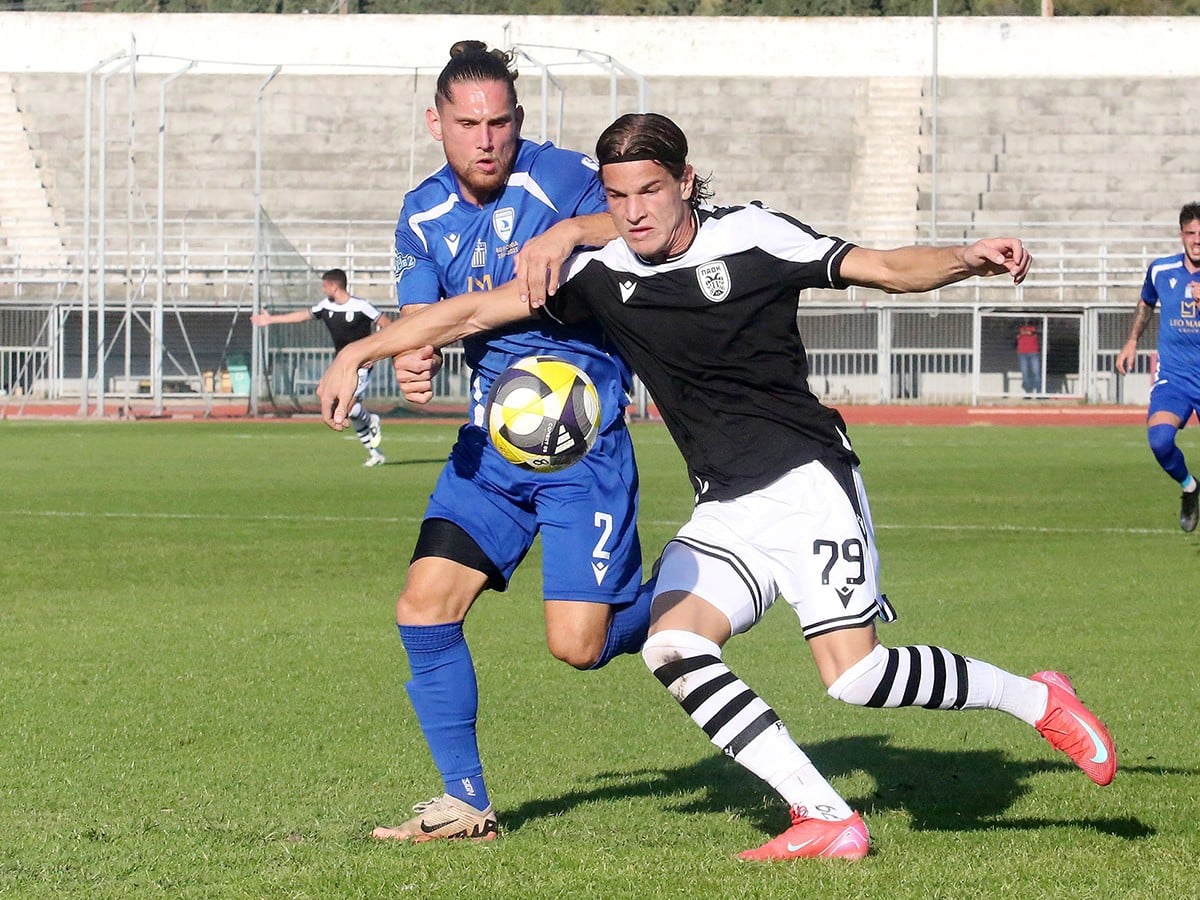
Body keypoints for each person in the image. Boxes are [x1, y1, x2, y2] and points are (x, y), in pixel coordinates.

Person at [319, 112, 1118, 860]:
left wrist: (964, 258)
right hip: (725, 504)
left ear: (686, 182)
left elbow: (880, 268)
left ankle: (1035, 699)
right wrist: (363, 353)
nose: (634, 213)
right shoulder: (600, 271)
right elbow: (468, 314)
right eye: (617, 196)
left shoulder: (753, 237)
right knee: (672, 644)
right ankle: (826, 817)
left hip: (807, 480)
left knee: (857, 679)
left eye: (649, 192)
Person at [360, 41, 654, 843]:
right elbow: (424, 313)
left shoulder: (557, 177)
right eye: (468, 124)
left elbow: (644, 219)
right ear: (437, 124)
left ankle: (694, 597)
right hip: (489, 452)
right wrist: (413, 355)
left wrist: (573, 232)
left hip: (580, 451)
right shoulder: (421, 213)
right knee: (423, 608)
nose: (486, 138)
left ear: (519, 121)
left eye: (499, 122)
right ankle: (465, 803)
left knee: (578, 647)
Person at [1115, 202, 1200, 533]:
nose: (1197, 240)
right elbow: (1146, 302)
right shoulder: (1161, 270)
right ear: (1181, 235)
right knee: (1160, 441)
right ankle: (1190, 487)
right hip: (1174, 379)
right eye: (1191, 234)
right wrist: (1132, 340)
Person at [251, 267, 388, 466]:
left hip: (361, 364)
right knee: (344, 410)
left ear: (334, 286)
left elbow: (388, 325)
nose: (323, 290)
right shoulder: (326, 306)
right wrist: (271, 319)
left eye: (325, 286)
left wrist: (375, 351)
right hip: (340, 366)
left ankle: (373, 420)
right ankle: (375, 453)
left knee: (347, 408)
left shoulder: (362, 306)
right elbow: (302, 316)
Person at [1016, 319, 1041, 395]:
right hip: (1022, 352)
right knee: (1025, 373)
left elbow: (1037, 334)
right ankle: (1028, 392)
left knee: (1036, 372)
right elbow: (1015, 336)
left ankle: (1040, 392)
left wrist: (1029, 333)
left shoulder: (1036, 327)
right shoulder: (1018, 327)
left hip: (1034, 352)